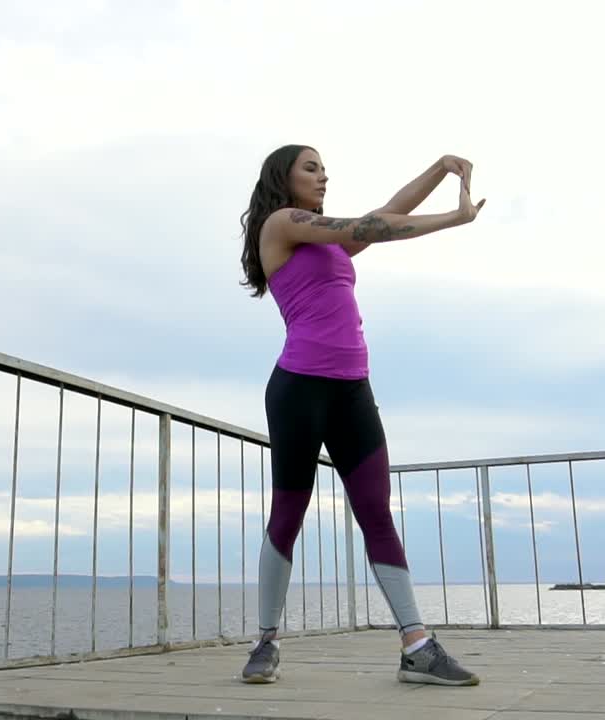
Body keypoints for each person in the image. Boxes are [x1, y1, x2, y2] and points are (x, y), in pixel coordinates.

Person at [237, 145, 485, 686]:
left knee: (376, 513)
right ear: (284, 177)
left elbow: (388, 213)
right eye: (311, 167)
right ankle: (265, 641)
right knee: (289, 515)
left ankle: (417, 646)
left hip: (352, 392)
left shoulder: (332, 242)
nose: (324, 175)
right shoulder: (284, 223)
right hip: (299, 389)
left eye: (324, 167)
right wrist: (455, 218)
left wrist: (441, 169)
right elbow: (378, 224)